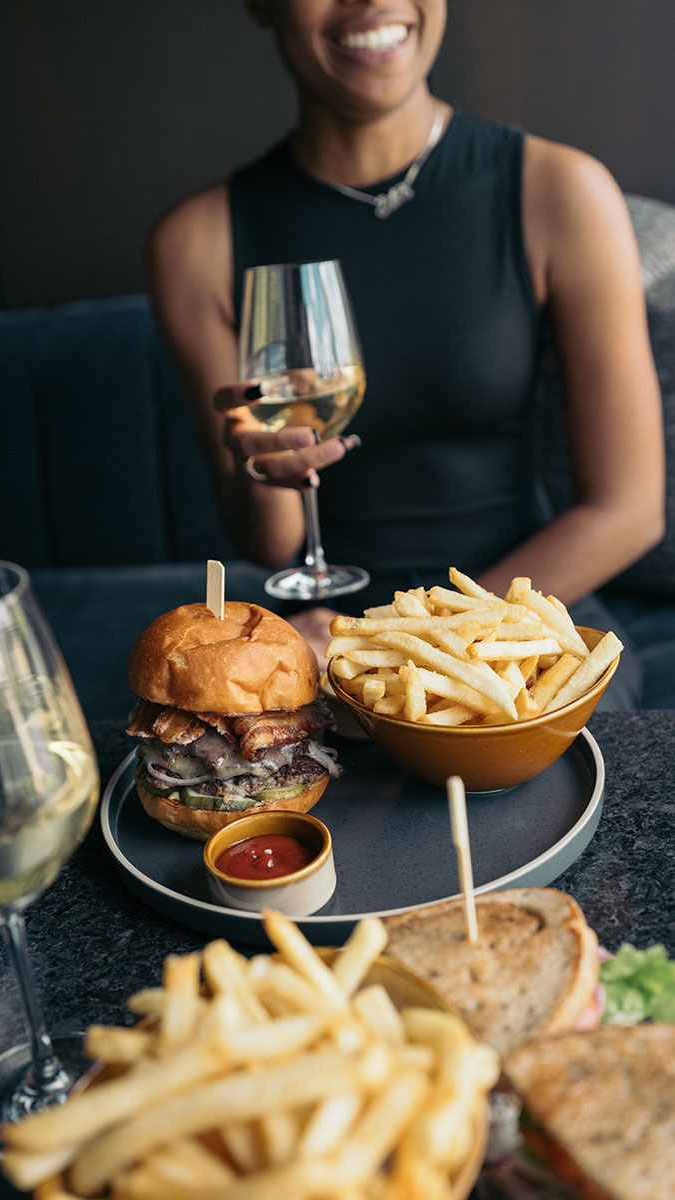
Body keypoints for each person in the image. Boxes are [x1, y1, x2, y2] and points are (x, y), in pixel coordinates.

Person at [145, 0, 665, 707]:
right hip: (321, 634)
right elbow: (270, 546)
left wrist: (398, 643)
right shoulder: (195, 242)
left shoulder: (560, 190)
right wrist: (263, 465)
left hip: (522, 619)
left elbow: (630, 511)